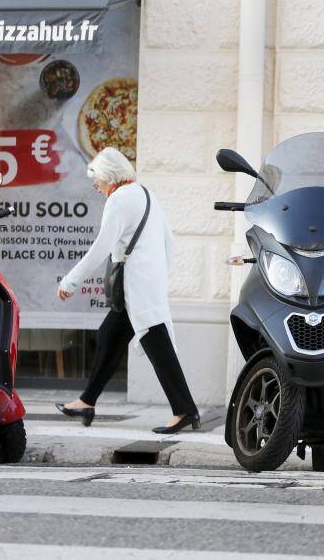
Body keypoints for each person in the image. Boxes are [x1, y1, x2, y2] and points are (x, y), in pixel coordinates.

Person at [55, 147, 200, 434]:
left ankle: (185, 410)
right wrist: (158, 275)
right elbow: (169, 241)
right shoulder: (145, 193)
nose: (96, 185)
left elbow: (102, 247)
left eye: (96, 178)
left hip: (134, 286)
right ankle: (87, 400)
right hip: (145, 284)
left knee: (156, 347)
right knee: (110, 336)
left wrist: (71, 281)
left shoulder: (119, 200)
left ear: (108, 175)